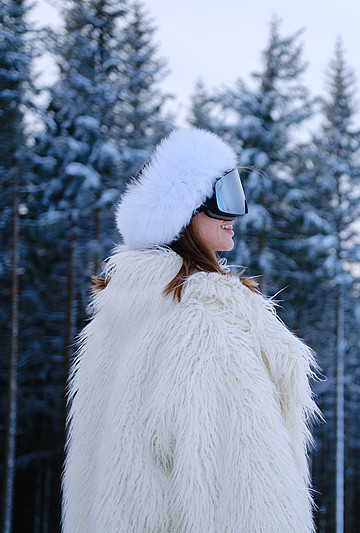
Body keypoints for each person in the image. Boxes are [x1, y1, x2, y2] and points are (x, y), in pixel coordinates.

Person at [62, 128, 320, 532]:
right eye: (223, 198)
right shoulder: (205, 322)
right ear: (183, 212)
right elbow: (242, 490)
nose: (236, 215)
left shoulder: (119, 317)